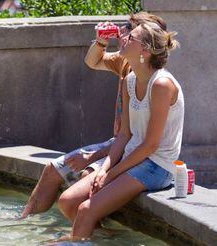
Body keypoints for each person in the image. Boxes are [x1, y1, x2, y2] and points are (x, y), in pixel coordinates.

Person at [20, 12, 167, 219]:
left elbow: (138, 139)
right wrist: (101, 41)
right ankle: (23, 223)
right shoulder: (125, 63)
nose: (123, 31)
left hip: (129, 151)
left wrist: (93, 157)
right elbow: (93, 61)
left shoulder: (154, 79)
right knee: (52, 169)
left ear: (144, 41)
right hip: (117, 143)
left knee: (84, 178)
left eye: (129, 28)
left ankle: (98, 234)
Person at [58, 20, 183, 241]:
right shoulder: (129, 80)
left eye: (131, 36)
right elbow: (124, 135)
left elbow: (150, 145)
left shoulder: (162, 85)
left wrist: (110, 175)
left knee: (86, 210)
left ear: (144, 50)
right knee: (68, 201)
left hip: (157, 165)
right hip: (130, 155)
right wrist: (104, 169)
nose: (123, 37)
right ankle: (105, 239)